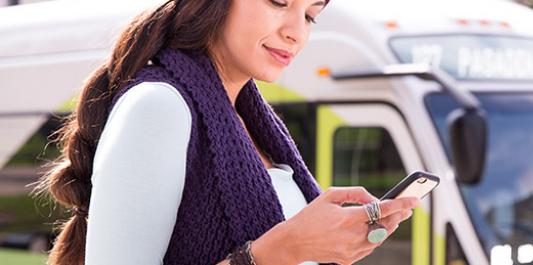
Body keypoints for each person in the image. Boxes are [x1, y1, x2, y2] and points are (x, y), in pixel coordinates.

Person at [31, 0, 419, 264]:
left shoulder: (255, 123)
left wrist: (330, 242)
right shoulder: (159, 107)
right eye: (278, 2)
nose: (296, 32)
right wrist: (272, 252)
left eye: (310, 15)